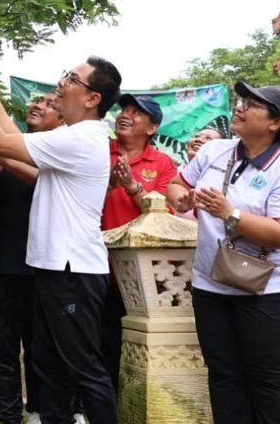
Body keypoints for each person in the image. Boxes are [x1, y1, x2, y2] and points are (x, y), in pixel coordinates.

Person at [0, 56, 123, 424]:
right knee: (48, 370)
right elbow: (10, 141)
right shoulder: (67, 137)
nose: (62, 83)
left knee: (84, 369)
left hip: (72, 272)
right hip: (50, 270)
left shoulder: (82, 138)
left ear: (92, 98)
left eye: (72, 78)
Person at [165, 82, 280, 424]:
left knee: (268, 379)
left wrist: (230, 214)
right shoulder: (214, 151)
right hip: (211, 286)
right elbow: (177, 182)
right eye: (242, 101)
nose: (240, 108)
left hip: (267, 291)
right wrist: (180, 198)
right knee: (223, 375)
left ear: (274, 123)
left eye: (252, 105)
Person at [0, 94, 65, 424]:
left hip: (45, 268)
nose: (38, 105)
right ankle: (9, 415)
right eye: (37, 100)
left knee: (42, 349)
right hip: (3, 266)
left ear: (63, 119)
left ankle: (38, 411)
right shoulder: (7, 148)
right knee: (2, 346)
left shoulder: (61, 156)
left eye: (50, 104)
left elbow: (48, 190)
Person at [101, 94, 178, 393]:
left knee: (138, 344)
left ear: (152, 127)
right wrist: (108, 185)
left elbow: (165, 215)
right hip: (98, 267)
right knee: (101, 344)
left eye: (136, 113)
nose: (126, 115)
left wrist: (132, 187)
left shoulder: (163, 163)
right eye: (124, 110)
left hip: (142, 274)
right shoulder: (97, 153)